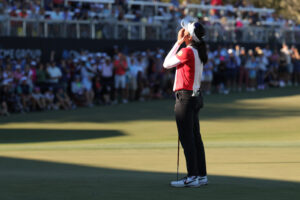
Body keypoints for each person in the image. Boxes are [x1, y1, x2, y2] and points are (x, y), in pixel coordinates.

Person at [163, 20, 208, 187]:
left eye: (185, 31)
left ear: (189, 36)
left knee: (187, 138)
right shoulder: (198, 50)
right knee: (195, 138)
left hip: (186, 98)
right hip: (195, 97)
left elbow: (166, 63)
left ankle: (192, 176)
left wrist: (178, 42)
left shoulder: (188, 51)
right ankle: (201, 175)